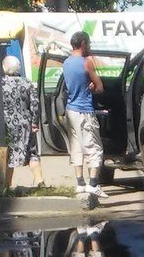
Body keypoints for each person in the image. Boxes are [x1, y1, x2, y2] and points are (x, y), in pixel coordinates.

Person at [62, 31, 108, 198]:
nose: (89, 47)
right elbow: (100, 87)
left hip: (70, 110)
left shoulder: (66, 63)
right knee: (94, 147)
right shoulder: (86, 62)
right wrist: (92, 88)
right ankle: (93, 184)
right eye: (88, 44)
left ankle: (80, 183)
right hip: (84, 110)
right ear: (82, 44)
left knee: (76, 146)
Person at [1, 56, 45, 188]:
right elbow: (35, 104)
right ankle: (39, 180)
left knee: (8, 154)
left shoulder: (0, 84)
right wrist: (34, 122)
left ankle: (7, 185)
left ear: (4, 67)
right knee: (32, 153)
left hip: (7, 125)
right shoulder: (26, 82)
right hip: (25, 124)